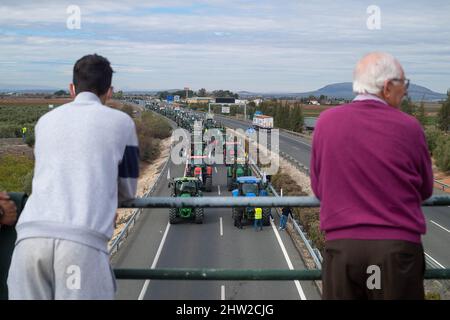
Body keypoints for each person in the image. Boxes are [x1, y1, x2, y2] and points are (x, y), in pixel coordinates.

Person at [7, 54, 139, 300]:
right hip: (81, 244)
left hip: (28, 241)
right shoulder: (122, 123)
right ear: (109, 91)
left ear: (71, 88)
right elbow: (128, 190)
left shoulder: (44, 121)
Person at [310, 52, 433, 300]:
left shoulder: (326, 122)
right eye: (404, 84)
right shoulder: (410, 127)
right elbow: (426, 189)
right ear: (387, 87)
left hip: (343, 249)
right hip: (396, 253)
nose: (406, 92)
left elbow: (318, 187)